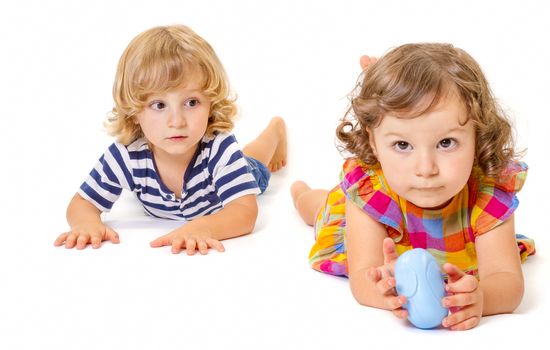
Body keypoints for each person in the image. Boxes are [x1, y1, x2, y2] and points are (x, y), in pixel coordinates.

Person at [291, 43, 535, 330]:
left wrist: (481, 298)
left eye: (446, 143)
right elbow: (362, 277)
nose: (426, 169)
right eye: (402, 145)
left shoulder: (488, 194)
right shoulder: (371, 194)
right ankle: (299, 191)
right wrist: (390, 289)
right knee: (319, 207)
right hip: (353, 218)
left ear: (477, 137)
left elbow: (507, 280)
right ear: (373, 142)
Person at [54, 25, 287, 255]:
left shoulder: (220, 148)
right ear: (134, 111)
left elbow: (245, 212)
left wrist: (203, 227)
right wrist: (86, 224)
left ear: (211, 103)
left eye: (191, 102)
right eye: (159, 105)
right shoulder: (126, 155)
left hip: (236, 174)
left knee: (255, 161)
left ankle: (274, 130)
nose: (177, 121)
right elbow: (83, 202)